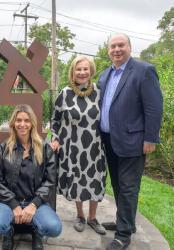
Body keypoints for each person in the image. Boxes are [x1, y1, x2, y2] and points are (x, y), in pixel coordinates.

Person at [99, 33, 163, 250]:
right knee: (117, 184)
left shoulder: (144, 71)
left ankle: (123, 234)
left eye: (121, 45)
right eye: (112, 46)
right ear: (108, 50)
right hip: (109, 140)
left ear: (130, 47)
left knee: (128, 187)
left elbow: (154, 107)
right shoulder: (104, 75)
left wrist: (151, 138)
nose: (116, 49)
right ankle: (123, 221)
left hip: (133, 141)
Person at [0, 104, 62, 250]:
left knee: (54, 228)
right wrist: (13, 204)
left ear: (32, 123)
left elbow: (50, 181)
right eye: (18, 120)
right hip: (7, 202)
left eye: (27, 120)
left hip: (35, 201)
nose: (22, 124)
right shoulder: (3, 149)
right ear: (13, 123)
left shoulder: (45, 148)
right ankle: (8, 232)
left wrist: (34, 205)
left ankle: (37, 232)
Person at [50, 56, 107, 235]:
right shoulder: (65, 93)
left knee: (95, 180)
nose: (82, 73)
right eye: (78, 69)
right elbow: (55, 119)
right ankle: (80, 216)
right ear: (72, 72)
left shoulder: (99, 92)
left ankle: (93, 217)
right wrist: (55, 138)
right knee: (77, 181)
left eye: (85, 69)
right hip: (72, 148)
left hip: (95, 147)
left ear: (91, 71)